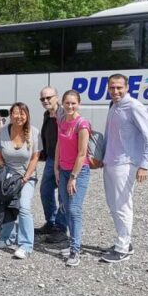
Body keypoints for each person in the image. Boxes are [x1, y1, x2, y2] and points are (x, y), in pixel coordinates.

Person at [99, 74, 148, 264]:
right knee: (113, 205)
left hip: (125, 164)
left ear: (127, 88)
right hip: (110, 162)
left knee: (123, 206)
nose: (115, 91)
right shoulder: (113, 106)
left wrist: (144, 166)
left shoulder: (134, 106)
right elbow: (109, 135)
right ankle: (123, 242)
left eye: (119, 88)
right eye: (112, 88)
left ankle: (123, 248)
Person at [0, 102, 41, 259]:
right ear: (10, 114)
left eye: (22, 113)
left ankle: (26, 245)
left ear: (27, 115)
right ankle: (7, 237)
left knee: (24, 207)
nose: (19, 116)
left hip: (27, 176)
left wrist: (25, 178)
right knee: (8, 205)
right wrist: (4, 174)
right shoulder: (2, 132)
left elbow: (35, 157)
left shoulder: (34, 132)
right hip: (8, 176)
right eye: (15, 113)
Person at [54, 90, 91, 267]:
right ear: (62, 104)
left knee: (75, 209)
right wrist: (56, 167)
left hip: (79, 172)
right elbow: (59, 145)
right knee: (66, 208)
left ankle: (76, 250)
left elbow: (82, 153)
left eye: (73, 103)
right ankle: (72, 243)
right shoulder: (62, 121)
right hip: (63, 170)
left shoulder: (82, 124)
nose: (70, 106)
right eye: (67, 103)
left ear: (79, 104)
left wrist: (73, 177)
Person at [37, 86, 67, 243]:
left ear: (57, 97)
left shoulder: (64, 114)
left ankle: (61, 229)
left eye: (48, 98)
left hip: (64, 160)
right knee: (45, 191)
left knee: (63, 195)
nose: (45, 101)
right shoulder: (47, 114)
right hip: (50, 159)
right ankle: (51, 222)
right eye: (42, 99)